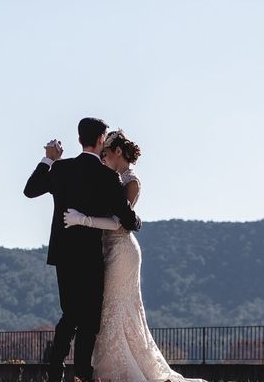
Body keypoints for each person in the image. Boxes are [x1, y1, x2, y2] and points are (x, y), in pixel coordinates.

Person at [64, 130, 205, 382]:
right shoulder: (112, 179)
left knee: (117, 307)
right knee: (109, 307)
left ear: (118, 152)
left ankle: (119, 370)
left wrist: (82, 220)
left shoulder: (130, 181)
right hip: (108, 248)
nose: (103, 158)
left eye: (105, 154)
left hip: (122, 251)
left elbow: (120, 223)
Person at [23, 117, 141, 382]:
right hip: (90, 255)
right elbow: (127, 219)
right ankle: (83, 374)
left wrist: (49, 159)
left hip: (63, 254)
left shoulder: (62, 169)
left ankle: (54, 370)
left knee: (70, 313)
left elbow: (30, 190)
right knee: (89, 319)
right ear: (101, 140)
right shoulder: (107, 176)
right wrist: (137, 220)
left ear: (79, 139)